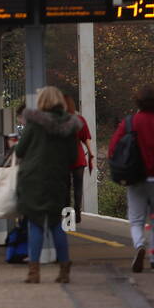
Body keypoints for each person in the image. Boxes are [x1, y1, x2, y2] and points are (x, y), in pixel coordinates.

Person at [108, 83, 154, 272]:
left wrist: (120, 168)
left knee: (136, 219)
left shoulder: (129, 123)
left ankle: (139, 245)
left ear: (137, 102)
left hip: (135, 178)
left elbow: (113, 149)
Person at [14, 86, 80, 283]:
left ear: (42, 101)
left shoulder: (34, 123)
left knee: (35, 223)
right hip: (58, 178)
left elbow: (20, 150)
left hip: (33, 179)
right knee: (55, 224)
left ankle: (34, 271)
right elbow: (73, 156)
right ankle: (64, 269)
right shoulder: (70, 126)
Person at [62, 93, 94, 226]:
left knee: (66, 188)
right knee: (78, 187)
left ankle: (68, 219)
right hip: (78, 156)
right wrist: (91, 154)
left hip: (63, 157)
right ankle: (78, 213)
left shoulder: (58, 120)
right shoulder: (80, 119)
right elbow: (86, 138)